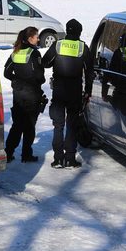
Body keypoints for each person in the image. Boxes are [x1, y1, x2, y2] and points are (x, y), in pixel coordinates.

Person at [41, 18, 94, 168]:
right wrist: (88, 91)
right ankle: (70, 158)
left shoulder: (58, 45)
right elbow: (89, 72)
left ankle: (58, 159)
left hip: (59, 91)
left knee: (58, 125)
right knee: (72, 125)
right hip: (75, 91)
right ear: (79, 32)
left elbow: (45, 63)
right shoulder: (83, 47)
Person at [3, 27, 48, 163]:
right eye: (37, 37)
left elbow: (7, 73)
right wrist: (36, 82)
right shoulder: (34, 53)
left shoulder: (15, 52)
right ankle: (26, 155)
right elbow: (40, 76)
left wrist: (17, 80)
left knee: (17, 125)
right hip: (32, 94)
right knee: (29, 126)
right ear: (30, 39)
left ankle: (8, 153)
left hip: (18, 95)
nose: (38, 39)